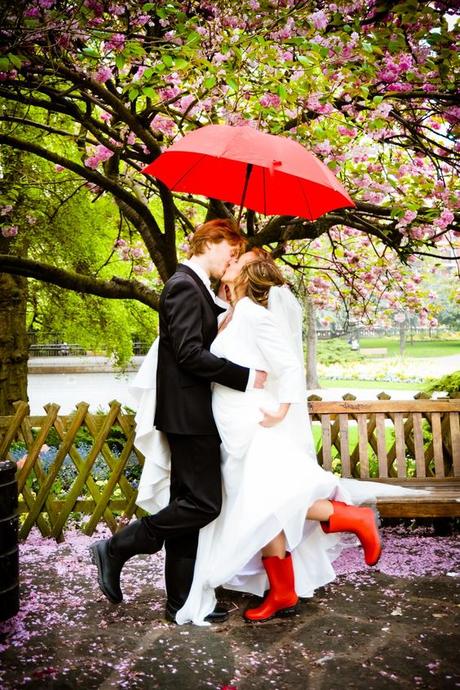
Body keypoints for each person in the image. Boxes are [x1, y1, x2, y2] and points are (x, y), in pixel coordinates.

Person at [170, 250, 425, 625]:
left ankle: (353, 518)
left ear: (246, 277)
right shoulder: (228, 315)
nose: (230, 263)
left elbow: (288, 365)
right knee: (261, 509)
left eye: (237, 262)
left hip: (253, 420)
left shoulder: (257, 317)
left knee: (273, 499)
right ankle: (283, 591)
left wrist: (283, 409)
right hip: (230, 426)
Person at [89, 219, 267, 624]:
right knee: (204, 504)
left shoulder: (195, 287)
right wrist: (245, 377)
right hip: (189, 415)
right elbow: (189, 354)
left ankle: (179, 602)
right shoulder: (184, 286)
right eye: (231, 252)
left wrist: (226, 307)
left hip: (190, 413)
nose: (232, 261)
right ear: (211, 242)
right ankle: (116, 547)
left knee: (186, 506)